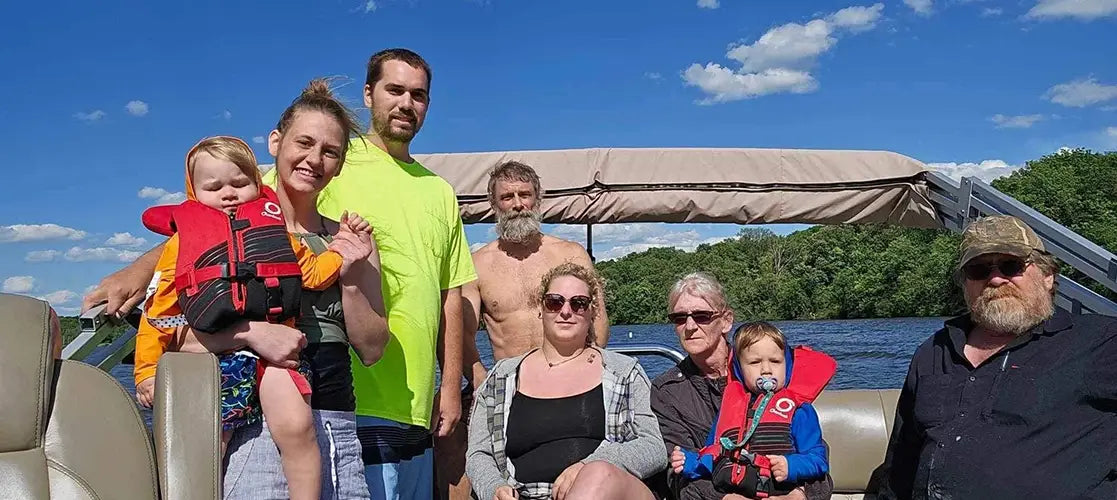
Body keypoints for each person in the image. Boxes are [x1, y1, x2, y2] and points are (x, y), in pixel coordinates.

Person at [87, 79, 390, 499]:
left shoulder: (349, 240)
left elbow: (372, 350)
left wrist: (350, 272)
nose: (314, 159)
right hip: (245, 423)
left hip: (333, 421)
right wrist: (252, 334)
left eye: (330, 151)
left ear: (339, 164)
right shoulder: (207, 239)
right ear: (275, 142)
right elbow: (173, 329)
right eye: (304, 143)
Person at [131, 135, 370, 499]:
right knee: (211, 442)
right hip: (217, 360)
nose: (228, 194)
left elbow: (314, 274)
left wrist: (340, 252)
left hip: (278, 357)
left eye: (239, 183)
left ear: (257, 184)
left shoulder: (277, 235)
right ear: (194, 193)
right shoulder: (181, 245)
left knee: (297, 426)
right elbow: (157, 314)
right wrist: (147, 371)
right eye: (214, 187)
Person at [878, 215, 1117, 499]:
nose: (995, 279)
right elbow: (901, 465)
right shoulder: (934, 350)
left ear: (1048, 276)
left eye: (1011, 265)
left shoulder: (1101, 341)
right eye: (978, 270)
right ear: (965, 284)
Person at [441, 160, 609, 499]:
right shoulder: (478, 264)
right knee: (449, 432)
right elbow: (461, 327)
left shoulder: (570, 253)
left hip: (573, 379)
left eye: (525, 195)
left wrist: (586, 371)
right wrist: (478, 376)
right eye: (507, 197)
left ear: (538, 198)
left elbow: (599, 319)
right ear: (494, 204)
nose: (518, 204)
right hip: (509, 385)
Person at [466, 262, 667, 500]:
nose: (565, 311)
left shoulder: (624, 373)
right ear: (541, 308)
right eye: (555, 302)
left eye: (578, 303)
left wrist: (588, 466)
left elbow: (653, 446)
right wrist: (495, 488)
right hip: (525, 494)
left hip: (611, 492)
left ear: (592, 312)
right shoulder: (501, 378)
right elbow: (479, 454)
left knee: (598, 475)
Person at [651, 272, 833, 500]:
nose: (690, 326)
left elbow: (817, 457)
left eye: (702, 316)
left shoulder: (775, 376)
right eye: (679, 318)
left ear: (726, 320)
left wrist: (799, 495)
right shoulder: (667, 392)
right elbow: (678, 475)